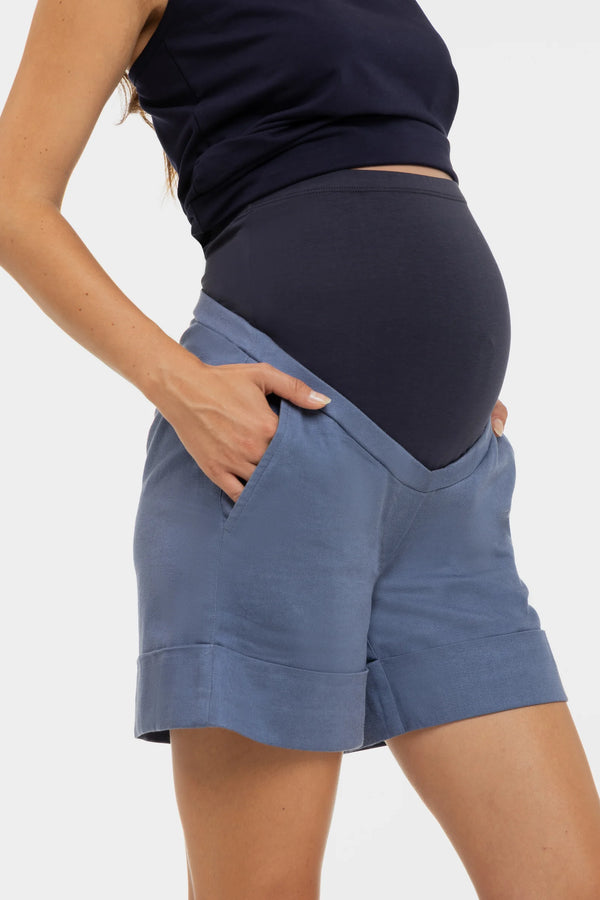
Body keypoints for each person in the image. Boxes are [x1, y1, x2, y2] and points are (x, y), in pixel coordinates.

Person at [1, 2, 599, 898]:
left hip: (451, 492)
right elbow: (11, 200)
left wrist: (437, 370)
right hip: (277, 464)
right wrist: (179, 384)